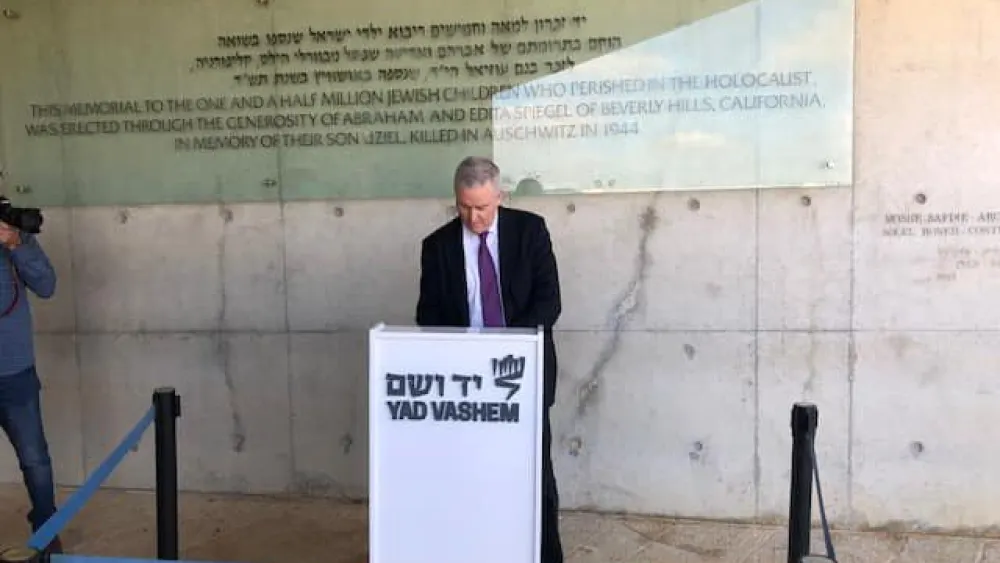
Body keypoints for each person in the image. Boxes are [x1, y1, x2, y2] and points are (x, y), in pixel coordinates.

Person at [415, 156, 564, 563]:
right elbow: (428, 315)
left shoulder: (530, 231)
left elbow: (549, 303)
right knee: (472, 477)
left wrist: (506, 348)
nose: (473, 217)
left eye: (481, 207)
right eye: (464, 207)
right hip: (467, 383)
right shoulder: (437, 245)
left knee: (534, 478)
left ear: (499, 196)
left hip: (523, 374)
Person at [0, 213, 62, 554]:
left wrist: (16, 243)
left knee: (35, 459)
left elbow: (47, 285)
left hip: (15, 374)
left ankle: (47, 533)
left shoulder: (14, 237)